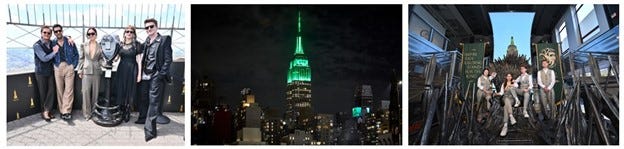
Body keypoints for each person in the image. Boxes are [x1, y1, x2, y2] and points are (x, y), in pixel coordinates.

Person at [140, 18, 172, 141]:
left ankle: (150, 130)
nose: (149, 29)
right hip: (145, 74)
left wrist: (160, 75)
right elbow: (138, 49)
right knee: (145, 98)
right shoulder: (147, 41)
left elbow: (168, 59)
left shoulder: (164, 39)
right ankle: (144, 120)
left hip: (155, 75)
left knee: (153, 102)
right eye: (146, 27)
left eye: (151, 26)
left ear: (156, 27)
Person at [114, 25, 143, 122]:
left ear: (134, 34)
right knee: (121, 89)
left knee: (129, 90)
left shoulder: (137, 45)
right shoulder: (120, 45)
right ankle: (121, 110)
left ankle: (127, 111)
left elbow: (139, 61)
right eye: (127, 31)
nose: (129, 33)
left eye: (131, 32)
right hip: (121, 69)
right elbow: (116, 58)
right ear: (124, 33)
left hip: (132, 69)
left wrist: (139, 74)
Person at [52, 24, 79, 121]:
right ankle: (62, 110)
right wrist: (54, 65)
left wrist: (73, 66)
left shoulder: (69, 41)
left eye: (59, 30)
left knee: (69, 90)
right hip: (58, 67)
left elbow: (76, 54)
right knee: (60, 90)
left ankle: (67, 111)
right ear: (54, 33)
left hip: (69, 66)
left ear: (62, 31)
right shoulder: (52, 43)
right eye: (56, 31)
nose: (58, 32)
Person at [34, 25, 59, 122]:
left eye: (49, 33)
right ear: (41, 33)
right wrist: (54, 52)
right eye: (44, 32)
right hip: (41, 72)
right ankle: (44, 112)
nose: (46, 34)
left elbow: (61, 38)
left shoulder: (52, 42)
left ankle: (47, 110)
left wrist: (69, 38)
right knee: (43, 92)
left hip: (50, 71)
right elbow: (44, 58)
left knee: (51, 91)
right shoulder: (37, 45)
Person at [77, 27, 103, 121]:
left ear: (96, 34)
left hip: (96, 71)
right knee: (86, 93)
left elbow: (101, 58)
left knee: (95, 94)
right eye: (89, 34)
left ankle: (94, 112)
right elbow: (81, 58)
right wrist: (80, 70)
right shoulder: (83, 45)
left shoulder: (100, 45)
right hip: (86, 71)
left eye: (93, 33)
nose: (91, 35)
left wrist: (103, 64)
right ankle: (87, 114)